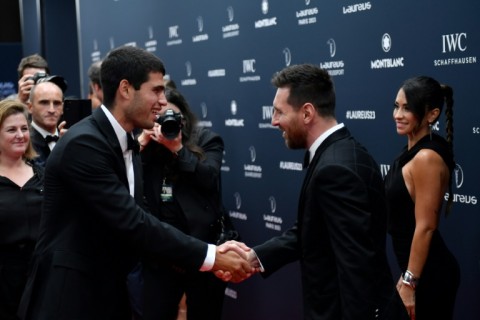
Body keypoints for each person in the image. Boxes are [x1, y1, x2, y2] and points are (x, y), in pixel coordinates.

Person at [17, 45, 252, 320]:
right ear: (126, 89)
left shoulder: (124, 142)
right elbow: (133, 222)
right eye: (156, 90)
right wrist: (211, 256)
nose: (163, 102)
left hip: (109, 293)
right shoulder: (85, 144)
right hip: (71, 300)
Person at [233, 64, 407, 319]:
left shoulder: (335, 169)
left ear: (307, 113)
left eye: (279, 112)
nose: (273, 121)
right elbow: (313, 230)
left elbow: (356, 268)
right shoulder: (345, 152)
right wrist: (255, 257)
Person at [138, 87, 228, 320]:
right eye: (160, 117)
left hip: (203, 249)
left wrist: (177, 149)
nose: (166, 122)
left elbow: (209, 178)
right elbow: (128, 184)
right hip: (161, 252)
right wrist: (139, 148)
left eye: (173, 117)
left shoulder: (207, 140)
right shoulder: (147, 145)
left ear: (184, 118)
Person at [384, 76, 460, 320]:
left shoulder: (427, 158)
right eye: (397, 106)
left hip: (430, 276)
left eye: (408, 108)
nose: (398, 114)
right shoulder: (411, 151)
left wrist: (409, 281)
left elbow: (426, 226)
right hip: (417, 271)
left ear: (431, 115)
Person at [0, 100, 44, 320]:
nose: (20, 135)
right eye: (11, 129)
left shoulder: (42, 174)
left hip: (41, 279)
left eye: (24, 128)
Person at [27, 76, 68, 167]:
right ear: (30, 107)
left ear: (62, 108)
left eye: (57, 103)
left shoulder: (72, 138)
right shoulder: (23, 141)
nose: (51, 110)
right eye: (44, 103)